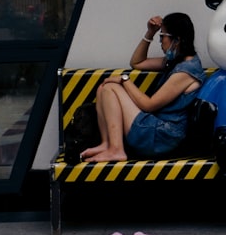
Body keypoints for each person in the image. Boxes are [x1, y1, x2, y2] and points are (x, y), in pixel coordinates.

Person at [81, 13, 206, 162]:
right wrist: (150, 33)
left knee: (110, 88)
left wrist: (124, 80)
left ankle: (116, 150)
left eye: (162, 37)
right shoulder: (176, 61)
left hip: (163, 137)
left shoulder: (186, 71)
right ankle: (107, 144)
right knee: (103, 89)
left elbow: (149, 105)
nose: (160, 42)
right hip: (157, 129)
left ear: (176, 40)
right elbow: (137, 62)